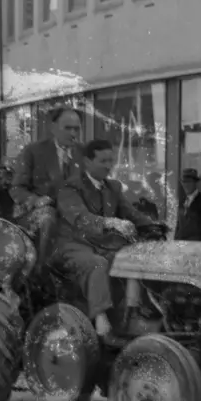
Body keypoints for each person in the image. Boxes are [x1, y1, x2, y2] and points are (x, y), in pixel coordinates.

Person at [54, 139, 159, 345]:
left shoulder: (113, 188)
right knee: (97, 264)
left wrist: (154, 225)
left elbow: (131, 212)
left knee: (135, 258)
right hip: (73, 246)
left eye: (111, 160)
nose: (108, 165)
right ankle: (103, 328)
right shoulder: (70, 188)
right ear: (87, 162)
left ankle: (132, 314)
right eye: (103, 160)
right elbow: (81, 219)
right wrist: (110, 222)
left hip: (103, 245)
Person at [11, 106, 83, 238]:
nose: (73, 133)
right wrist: (35, 200)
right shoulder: (33, 151)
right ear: (53, 128)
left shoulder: (84, 153)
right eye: (67, 128)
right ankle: (44, 259)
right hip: (41, 212)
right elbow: (17, 188)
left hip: (75, 212)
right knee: (47, 218)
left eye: (76, 129)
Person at [175, 168, 201, 242]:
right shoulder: (181, 202)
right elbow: (179, 226)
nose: (186, 185)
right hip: (180, 246)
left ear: (195, 183)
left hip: (196, 246)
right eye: (184, 182)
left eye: (189, 182)